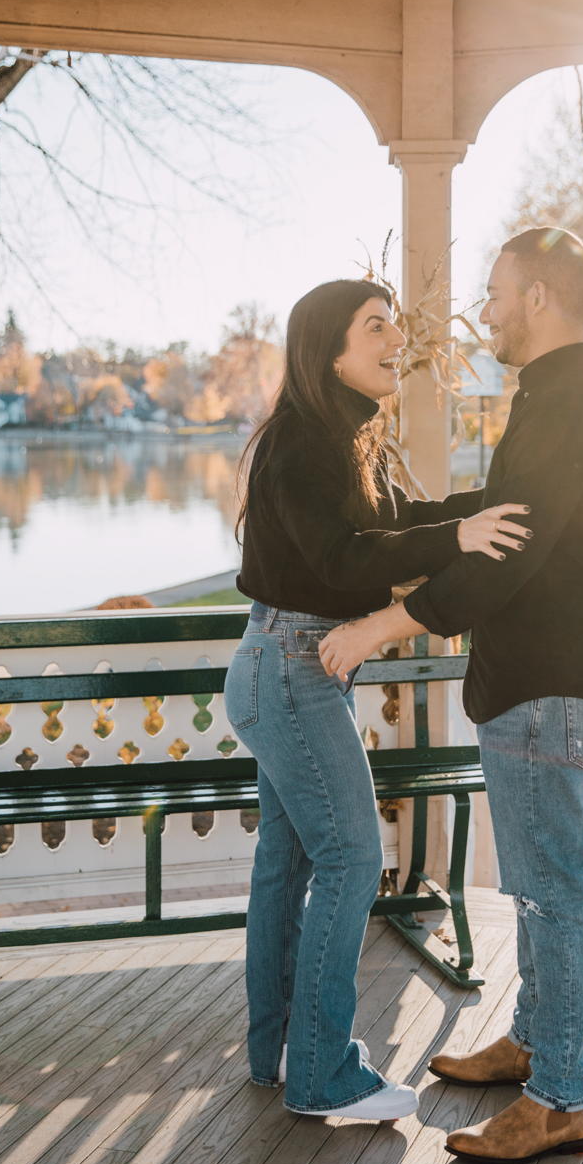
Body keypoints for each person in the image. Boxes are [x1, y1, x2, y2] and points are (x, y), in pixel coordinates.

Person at [318, 229, 583, 1161]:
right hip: (532, 680)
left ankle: (560, 1099)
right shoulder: (554, 397)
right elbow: (494, 536)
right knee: (534, 892)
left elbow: (506, 556)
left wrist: (380, 627)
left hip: (550, 681)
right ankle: (534, 1047)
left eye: (495, 294)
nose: (483, 312)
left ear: (538, 298)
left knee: (551, 896)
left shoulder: (568, 404)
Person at [224, 278, 530, 1121]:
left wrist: (491, 507)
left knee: (285, 867)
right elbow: (342, 560)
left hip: (290, 666)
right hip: (289, 668)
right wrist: (454, 536)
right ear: (329, 351)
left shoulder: (348, 437)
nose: (396, 335)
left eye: (392, 319)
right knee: (355, 859)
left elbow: (408, 519)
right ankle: (324, 1075)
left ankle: (277, 1054)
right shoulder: (301, 443)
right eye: (375, 325)